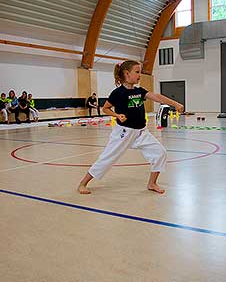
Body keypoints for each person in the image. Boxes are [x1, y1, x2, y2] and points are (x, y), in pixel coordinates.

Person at [77, 60, 184, 195]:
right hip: (123, 132)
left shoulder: (140, 91)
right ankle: (83, 183)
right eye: (137, 72)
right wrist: (117, 115)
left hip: (141, 132)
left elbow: (157, 97)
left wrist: (175, 103)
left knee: (160, 153)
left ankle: (152, 183)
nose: (140, 75)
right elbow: (105, 108)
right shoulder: (118, 93)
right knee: (107, 158)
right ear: (127, 73)